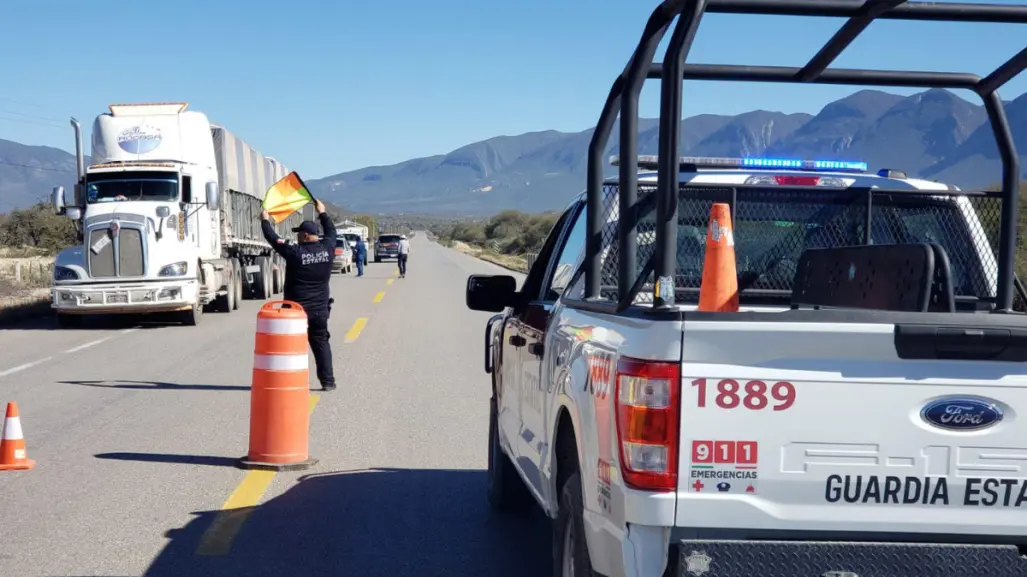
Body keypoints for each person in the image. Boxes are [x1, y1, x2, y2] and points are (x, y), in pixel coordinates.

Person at [260, 200, 337, 391]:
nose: (298, 237)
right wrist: (323, 213)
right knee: (321, 344)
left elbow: (273, 239)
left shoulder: (296, 252)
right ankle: (328, 382)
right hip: (319, 311)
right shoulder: (327, 248)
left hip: (296, 312)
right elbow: (331, 232)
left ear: (304, 235)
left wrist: (264, 221)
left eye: (299, 234)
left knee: (289, 348)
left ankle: (288, 382)